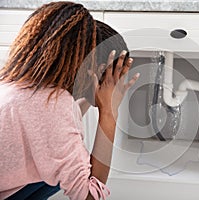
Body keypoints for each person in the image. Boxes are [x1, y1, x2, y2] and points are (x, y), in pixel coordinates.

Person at [0, 2, 139, 200]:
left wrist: (94, 97)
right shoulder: (54, 105)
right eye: (113, 75)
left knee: (57, 170)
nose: (115, 83)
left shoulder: (20, 85)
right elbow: (89, 197)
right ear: (99, 70)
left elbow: (55, 133)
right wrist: (108, 111)